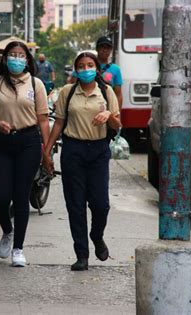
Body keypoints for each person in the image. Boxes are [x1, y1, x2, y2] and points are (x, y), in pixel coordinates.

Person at [42, 52, 122, 271]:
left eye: (89, 65)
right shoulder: (67, 92)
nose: (85, 69)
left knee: (100, 204)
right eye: (81, 66)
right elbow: (58, 124)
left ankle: (97, 235)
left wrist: (108, 116)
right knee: (75, 205)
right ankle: (81, 254)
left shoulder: (106, 92)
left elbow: (117, 125)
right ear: (76, 70)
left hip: (98, 151)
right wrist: (46, 152)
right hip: (73, 150)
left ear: (96, 68)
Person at [0, 41, 50, 267]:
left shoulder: (36, 84)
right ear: (5, 58)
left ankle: (18, 248)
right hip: (2, 142)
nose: (16, 59)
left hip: (28, 142)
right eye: (12, 55)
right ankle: (7, 231)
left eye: (21, 55)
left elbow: (43, 119)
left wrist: (46, 151)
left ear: (27, 59)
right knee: (0, 198)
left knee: (21, 196)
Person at [95, 36, 123, 109]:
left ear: (111, 50)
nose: (105, 50)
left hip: (107, 109)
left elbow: (118, 94)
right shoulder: (88, 65)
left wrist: (117, 114)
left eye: (108, 48)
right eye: (102, 47)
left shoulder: (116, 69)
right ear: (97, 49)